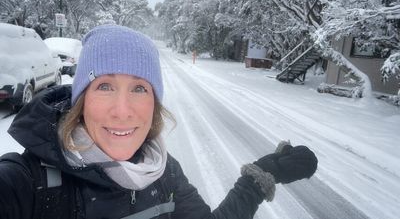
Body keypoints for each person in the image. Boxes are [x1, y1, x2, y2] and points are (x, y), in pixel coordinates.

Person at [0, 24, 318, 219]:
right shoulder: (26, 184)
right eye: (105, 86)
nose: (123, 111)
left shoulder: (164, 173)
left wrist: (259, 178)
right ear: (80, 102)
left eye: (139, 88)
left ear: (155, 104)